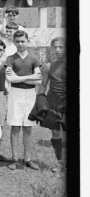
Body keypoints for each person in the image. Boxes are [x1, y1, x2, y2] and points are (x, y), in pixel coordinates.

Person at [4, 30, 41, 170]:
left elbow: (38, 81)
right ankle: (14, 158)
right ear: (14, 42)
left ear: (27, 41)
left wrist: (19, 78)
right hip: (15, 93)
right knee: (15, 126)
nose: (20, 44)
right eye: (17, 41)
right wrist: (28, 78)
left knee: (27, 128)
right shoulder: (10, 59)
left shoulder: (34, 59)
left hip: (30, 95)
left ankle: (27, 158)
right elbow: (9, 79)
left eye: (23, 41)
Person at [38, 37, 66, 171]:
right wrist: (39, 102)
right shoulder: (48, 66)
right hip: (53, 100)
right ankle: (59, 162)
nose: (58, 50)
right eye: (55, 47)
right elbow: (43, 86)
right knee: (55, 132)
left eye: (61, 47)